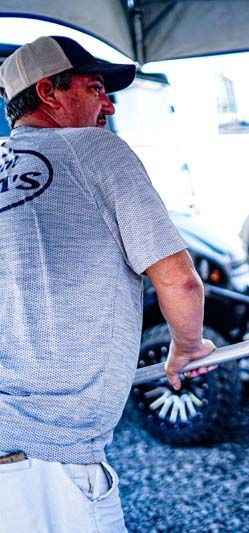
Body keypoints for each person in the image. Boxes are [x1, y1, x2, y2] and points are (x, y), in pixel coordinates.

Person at [0, 36, 215, 532]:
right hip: (47, 450)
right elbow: (180, 281)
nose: (110, 102)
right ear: (50, 93)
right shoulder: (99, 150)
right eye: (95, 87)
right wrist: (186, 347)